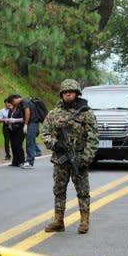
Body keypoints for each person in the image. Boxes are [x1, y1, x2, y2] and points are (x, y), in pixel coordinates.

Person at [41, 79, 99, 234]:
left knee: (83, 191)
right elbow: (45, 134)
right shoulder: (53, 114)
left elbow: (93, 138)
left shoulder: (86, 113)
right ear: (61, 94)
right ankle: (58, 220)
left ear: (77, 94)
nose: (68, 95)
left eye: (71, 92)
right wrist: (55, 144)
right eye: (65, 92)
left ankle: (84, 221)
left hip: (79, 158)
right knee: (59, 190)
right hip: (60, 160)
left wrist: (85, 158)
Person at [6, 94, 26, 167]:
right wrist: (8, 120)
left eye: (12, 102)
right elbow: (9, 118)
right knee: (13, 146)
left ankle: (22, 161)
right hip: (11, 130)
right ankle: (15, 161)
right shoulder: (11, 109)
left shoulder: (21, 108)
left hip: (19, 129)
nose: (12, 104)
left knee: (18, 145)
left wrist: (15, 120)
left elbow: (24, 119)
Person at [20, 96, 37, 169]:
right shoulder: (27, 102)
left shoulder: (24, 102)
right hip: (33, 124)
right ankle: (29, 161)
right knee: (29, 142)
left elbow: (27, 112)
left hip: (32, 124)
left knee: (30, 143)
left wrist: (26, 124)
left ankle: (30, 162)